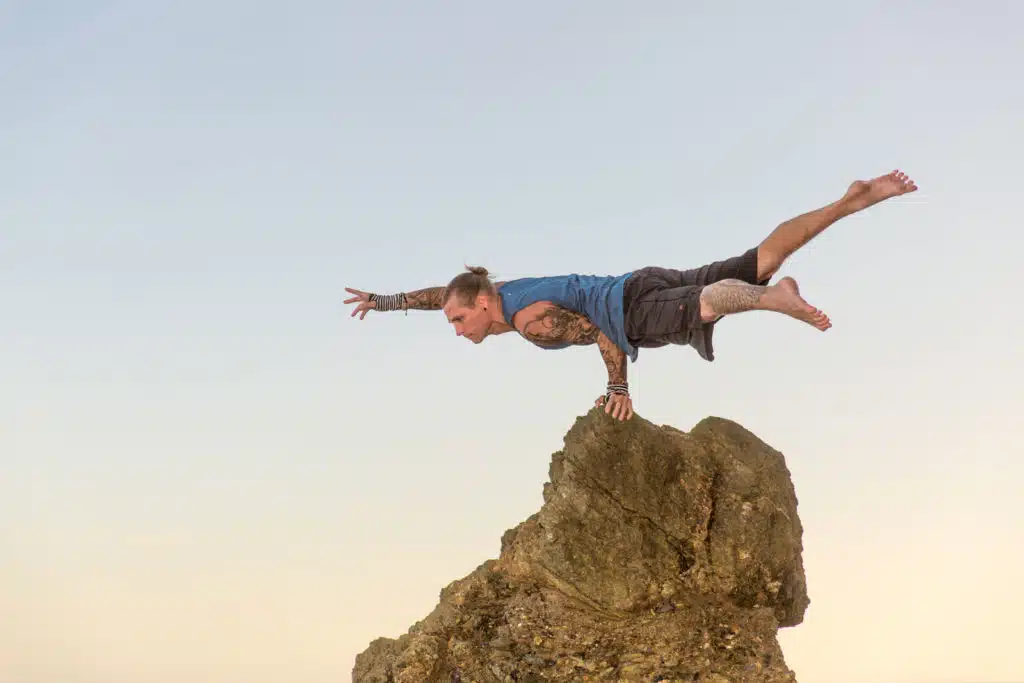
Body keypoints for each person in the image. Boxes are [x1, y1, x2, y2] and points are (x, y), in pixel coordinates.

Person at [344, 169, 917, 421]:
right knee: (758, 259)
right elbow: (437, 294)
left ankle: (776, 301)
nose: (453, 326)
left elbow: (595, 332)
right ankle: (848, 203)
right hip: (637, 279)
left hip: (630, 310)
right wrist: (386, 301)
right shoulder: (499, 291)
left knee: (711, 304)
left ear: (484, 306)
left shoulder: (528, 320)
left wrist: (618, 387)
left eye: (457, 318)